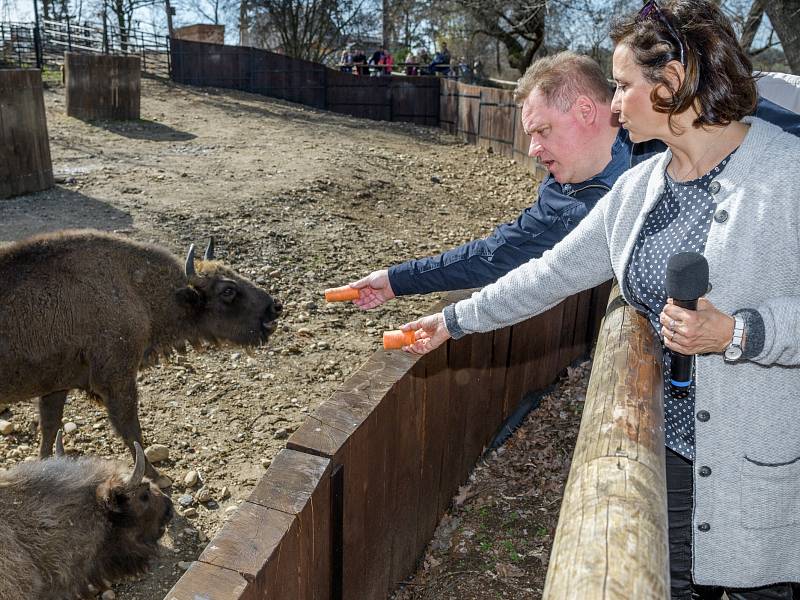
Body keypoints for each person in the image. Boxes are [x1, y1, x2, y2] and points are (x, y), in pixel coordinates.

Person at [399, 1, 800, 597]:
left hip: (758, 473)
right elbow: (551, 272)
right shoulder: (639, 187)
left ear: (672, 83)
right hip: (668, 456)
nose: (613, 105)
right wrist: (455, 320)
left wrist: (740, 333)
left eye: (621, 86)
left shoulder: (786, 173)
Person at [344, 51, 800, 311]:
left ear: (585, 111)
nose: (534, 150)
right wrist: (397, 280)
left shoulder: (685, 121)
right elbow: (494, 255)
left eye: (542, 131)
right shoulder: (566, 197)